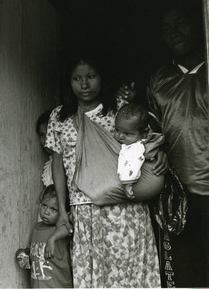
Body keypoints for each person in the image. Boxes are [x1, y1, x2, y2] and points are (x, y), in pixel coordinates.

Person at [45, 52, 163, 287]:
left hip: (125, 209)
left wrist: (160, 156)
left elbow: (145, 143)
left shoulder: (120, 109)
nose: (84, 84)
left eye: (91, 76)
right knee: (95, 278)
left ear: (102, 77)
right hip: (85, 210)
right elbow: (58, 165)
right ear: (69, 81)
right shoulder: (59, 116)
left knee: (130, 275)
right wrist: (62, 210)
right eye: (77, 79)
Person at [119, 4, 209, 287]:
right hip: (176, 191)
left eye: (180, 24)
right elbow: (149, 131)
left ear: (198, 24)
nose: (174, 33)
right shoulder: (159, 78)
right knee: (183, 272)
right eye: (167, 30)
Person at [16, 185, 72, 288]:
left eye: (53, 209)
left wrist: (52, 239)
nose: (46, 212)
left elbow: (70, 228)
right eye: (44, 205)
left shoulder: (62, 230)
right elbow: (34, 254)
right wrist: (24, 254)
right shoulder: (36, 229)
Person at [114, 102, 165, 199]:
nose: (120, 136)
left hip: (136, 186)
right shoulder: (143, 140)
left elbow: (132, 164)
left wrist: (128, 184)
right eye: (117, 130)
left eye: (127, 134)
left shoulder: (135, 147)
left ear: (144, 133)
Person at [36, 110, 54, 187]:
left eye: (49, 134)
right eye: (42, 135)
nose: (46, 140)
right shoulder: (51, 164)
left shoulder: (67, 162)